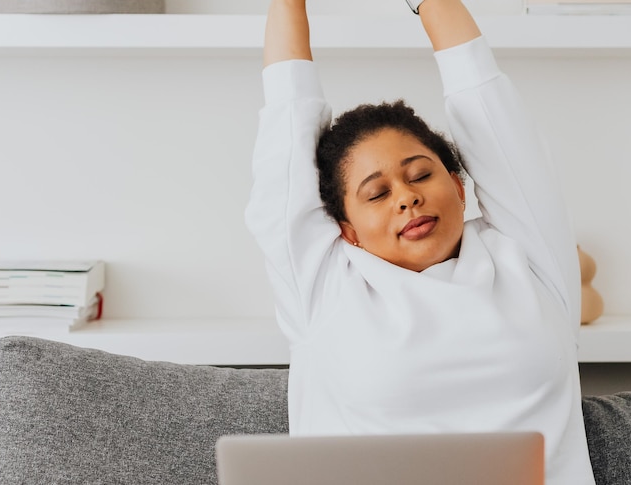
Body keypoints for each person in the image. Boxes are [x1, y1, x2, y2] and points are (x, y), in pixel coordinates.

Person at [245, 0, 596, 482]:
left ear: (457, 184)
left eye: (420, 175)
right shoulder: (325, 290)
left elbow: (492, 115)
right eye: (377, 193)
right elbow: (286, 129)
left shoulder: (529, 260)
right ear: (346, 230)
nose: (406, 198)